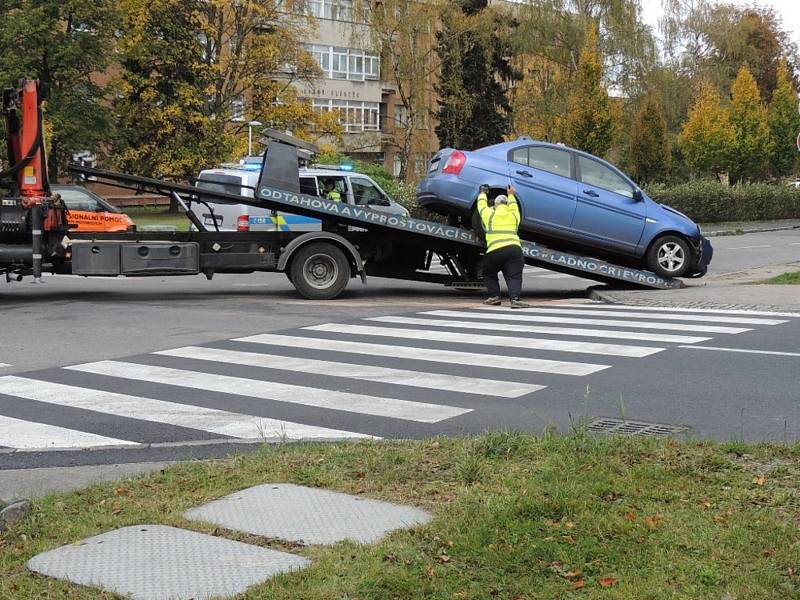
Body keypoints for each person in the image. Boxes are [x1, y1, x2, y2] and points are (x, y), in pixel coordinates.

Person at [477, 183, 530, 309]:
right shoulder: (514, 215)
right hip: (514, 250)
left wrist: (483, 193)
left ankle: (494, 296)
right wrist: (511, 194)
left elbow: (481, 206)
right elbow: (514, 206)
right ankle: (515, 299)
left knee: (489, 273)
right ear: (506, 204)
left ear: (495, 204)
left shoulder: (489, 214)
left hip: (495, 250)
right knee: (514, 276)